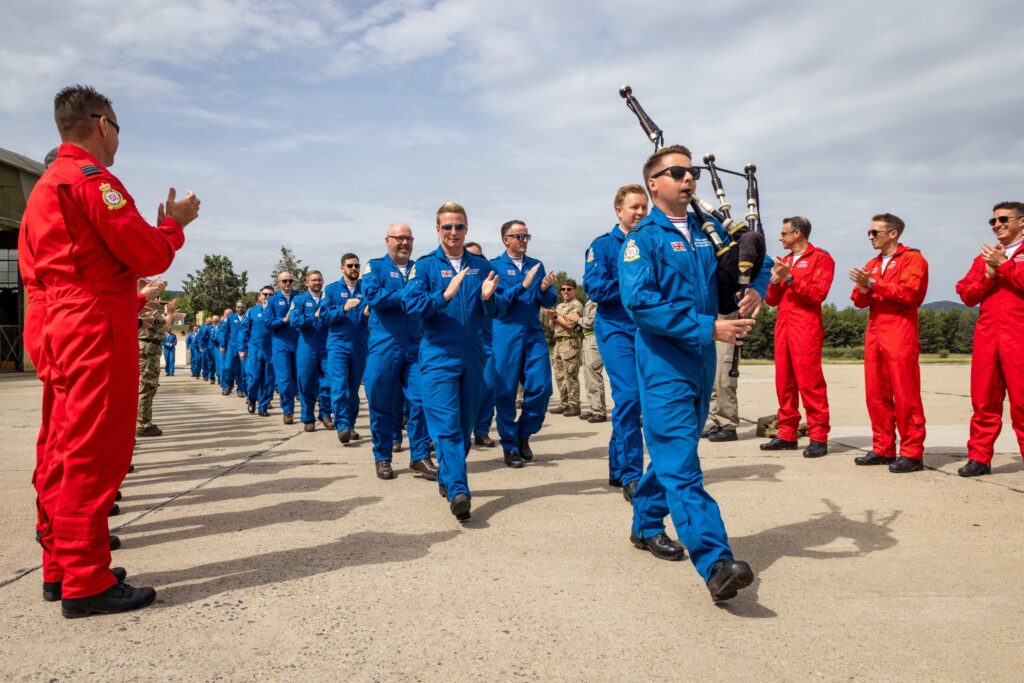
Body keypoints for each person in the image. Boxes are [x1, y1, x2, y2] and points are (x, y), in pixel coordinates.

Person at [20, 84, 199, 617]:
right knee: (95, 453)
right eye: (118, 128)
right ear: (102, 125)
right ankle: (86, 579)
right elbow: (144, 252)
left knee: (61, 447)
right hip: (94, 325)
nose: (118, 138)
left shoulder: (47, 185)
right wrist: (174, 225)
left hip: (59, 322)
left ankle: (62, 565)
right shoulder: (92, 181)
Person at [619, 144, 758, 602]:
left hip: (701, 362)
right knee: (682, 464)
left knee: (672, 453)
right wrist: (709, 327)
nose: (688, 178)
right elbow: (641, 304)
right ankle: (715, 561)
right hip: (664, 364)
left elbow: (751, 265)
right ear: (653, 183)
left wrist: (756, 289)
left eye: (691, 171)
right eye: (676, 172)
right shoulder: (643, 240)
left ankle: (645, 523)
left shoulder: (707, 231)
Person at [402, 202, 501, 522]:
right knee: (446, 426)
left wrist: (489, 298)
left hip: (473, 354)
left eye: (459, 227)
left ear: (466, 228)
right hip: (438, 354)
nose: (453, 232)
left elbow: (497, 309)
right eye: (447, 227)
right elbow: (411, 305)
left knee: (464, 426)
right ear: (437, 230)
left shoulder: (481, 266)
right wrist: (444, 295)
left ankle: (448, 475)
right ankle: (460, 490)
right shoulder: (425, 267)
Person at [849, 213, 929, 473]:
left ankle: (912, 452)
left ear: (893, 233)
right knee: (876, 394)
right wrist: (864, 288)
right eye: (869, 232)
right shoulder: (871, 264)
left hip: (900, 331)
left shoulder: (912, 259)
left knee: (905, 394)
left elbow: (909, 293)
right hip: (875, 331)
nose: (871, 237)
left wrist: (873, 284)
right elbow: (858, 301)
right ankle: (883, 448)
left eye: (876, 232)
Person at [584, 185, 648, 499]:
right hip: (616, 329)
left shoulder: (652, 241)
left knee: (639, 401)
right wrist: (633, 281)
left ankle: (617, 466)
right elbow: (595, 288)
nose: (640, 212)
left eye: (644, 207)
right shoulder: (603, 246)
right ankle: (632, 474)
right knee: (630, 397)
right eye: (634, 207)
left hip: (648, 330)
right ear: (619, 210)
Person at [362, 224, 437, 480]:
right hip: (385, 345)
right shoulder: (375, 267)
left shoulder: (420, 268)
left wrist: (402, 296)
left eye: (409, 238)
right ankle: (383, 457)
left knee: (422, 400)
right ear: (387, 240)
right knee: (381, 403)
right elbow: (374, 297)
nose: (404, 243)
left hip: (416, 345)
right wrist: (407, 293)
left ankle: (419, 456)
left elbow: (427, 299)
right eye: (399, 238)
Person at [955, 201, 1024, 476]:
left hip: (1018, 337)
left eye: (1003, 219)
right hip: (987, 338)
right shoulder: (984, 257)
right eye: (993, 221)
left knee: (1022, 403)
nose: (997, 225)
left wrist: (1004, 266)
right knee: (984, 401)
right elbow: (966, 294)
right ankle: (979, 458)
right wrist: (989, 275)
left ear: (1021, 221)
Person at [761, 216, 835, 458]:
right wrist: (775, 280)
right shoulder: (784, 261)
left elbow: (818, 294)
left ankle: (818, 437)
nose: (780, 238)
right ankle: (786, 434)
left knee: (810, 383)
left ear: (798, 233)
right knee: (784, 383)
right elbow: (771, 300)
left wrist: (790, 278)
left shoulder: (821, 258)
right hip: (783, 326)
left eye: (784, 233)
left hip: (806, 327)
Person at [490, 221, 557, 467]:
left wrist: (544, 288)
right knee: (505, 392)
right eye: (519, 236)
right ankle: (509, 446)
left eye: (527, 236)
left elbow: (548, 301)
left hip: (532, 331)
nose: (524, 240)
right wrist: (523, 285)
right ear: (505, 239)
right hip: (505, 332)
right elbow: (497, 303)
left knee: (542, 387)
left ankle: (523, 433)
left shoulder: (535, 265)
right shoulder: (494, 266)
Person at [324, 253, 369, 443]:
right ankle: (342, 425)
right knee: (339, 386)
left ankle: (350, 425)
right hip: (338, 344)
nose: (354, 269)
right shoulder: (332, 289)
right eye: (350, 266)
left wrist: (367, 314)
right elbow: (324, 315)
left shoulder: (366, 288)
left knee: (353, 389)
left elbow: (371, 318)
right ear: (342, 268)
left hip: (359, 344)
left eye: (356, 266)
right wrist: (342, 309)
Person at [290, 270, 333, 432]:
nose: (317, 283)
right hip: (307, 346)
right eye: (313, 280)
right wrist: (313, 316)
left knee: (329, 382)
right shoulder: (299, 300)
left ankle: (325, 414)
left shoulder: (328, 299)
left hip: (327, 345)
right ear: (307, 283)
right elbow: (294, 320)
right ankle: (308, 417)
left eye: (319, 280)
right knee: (306, 382)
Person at [466, 241, 498, 449]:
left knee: (487, 387)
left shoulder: (489, 277)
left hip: (486, 340)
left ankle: (481, 430)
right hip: (461, 342)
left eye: (477, 257)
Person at [266, 271, 300, 424]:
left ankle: (307, 408)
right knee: (285, 380)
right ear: (278, 282)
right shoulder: (273, 300)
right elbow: (268, 322)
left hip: (299, 342)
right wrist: (284, 320)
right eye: (284, 281)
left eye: (290, 281)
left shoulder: (300, 297)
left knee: (300, 378)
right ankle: (288, 410)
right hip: (281, 344)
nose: (287, 283)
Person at [548, 280, 584, 417]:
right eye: (563, 289)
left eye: (569, 289)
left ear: (575, 290)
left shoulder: (577, 305)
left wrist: (556, 316)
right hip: (558, 343)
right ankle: (564, 403)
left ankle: (574, 405)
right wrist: (552, 316)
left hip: (570, 343)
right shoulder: (560, 306)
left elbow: (570, 324)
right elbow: (552, 326)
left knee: (570, 376)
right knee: (559, 376)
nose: (565, 292)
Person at [241, 285, 276, 417]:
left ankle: (263, 406)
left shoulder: (277, 311)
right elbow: (244, 330)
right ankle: (251, 399)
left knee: (268, 380)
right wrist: (242, 348)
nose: (267, 297)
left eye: (270, 295)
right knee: (254, 378)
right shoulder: (252, 311)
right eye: (265, 294)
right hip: (255, 348)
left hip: (271, 349)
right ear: (259, 296)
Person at [579, 298, 607, 422]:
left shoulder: (597, 300)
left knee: (594, 375)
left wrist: (577, 319)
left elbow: (591, 322)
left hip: (594, 340)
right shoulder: (589, 300)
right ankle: (593, 407)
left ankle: (599, 411)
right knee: (588, 376)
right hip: (587, 339)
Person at [224, 299, 249, 398]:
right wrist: (223, 345)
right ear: (235, 307)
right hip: (232, 346)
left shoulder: (248, 317)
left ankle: (240, 389)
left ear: (245, 308)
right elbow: (225, 331)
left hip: (244, 347)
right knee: (228, 367)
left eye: (242, 307)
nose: (240, 309)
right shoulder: (230, 318)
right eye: (238, 307)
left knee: (242, 370)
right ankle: (227, 386)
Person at [204, 315, 221, 385]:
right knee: (211, 364)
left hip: (218, 347)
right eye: (214, 321)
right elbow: (203, 337)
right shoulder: (208, 328)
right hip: (210, 348)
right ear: (212, 321)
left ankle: (219, 378)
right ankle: (212, 378)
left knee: (219, 363)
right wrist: (205, 346)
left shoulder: (221, 327)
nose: (216, 322)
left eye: (217, 321)